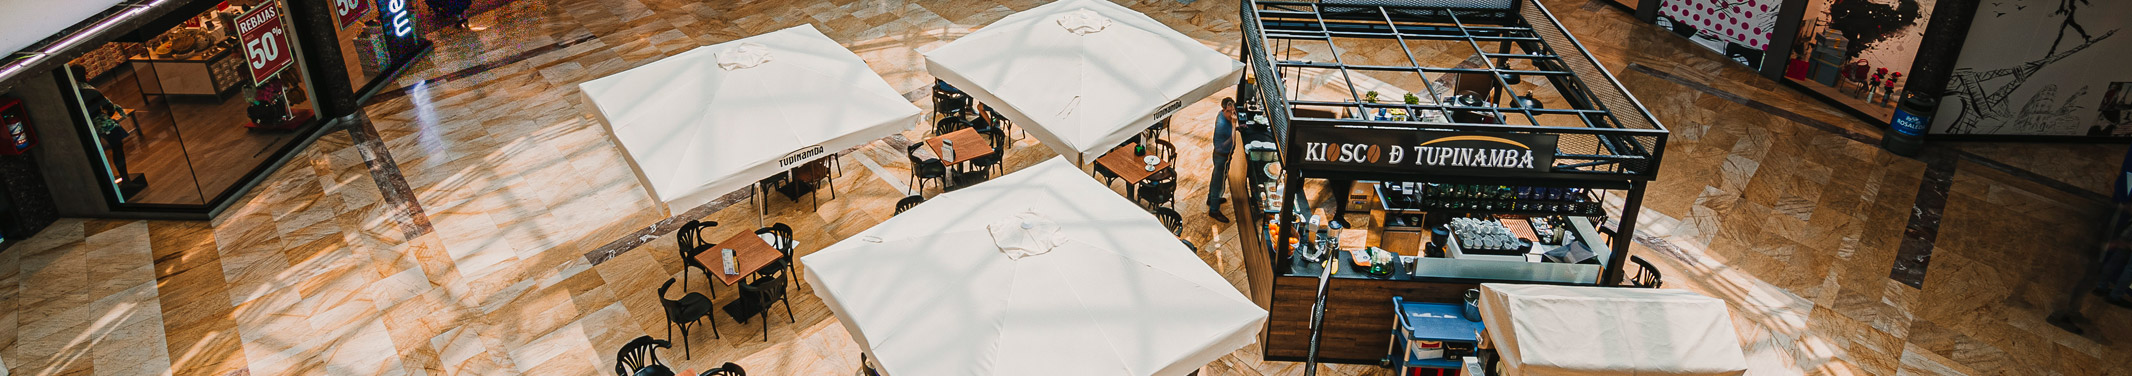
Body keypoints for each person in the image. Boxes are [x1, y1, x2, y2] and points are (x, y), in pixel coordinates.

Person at [1205, 98, 1236, 223]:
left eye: (1233, 110)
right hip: (1221, 156)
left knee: (1217, 178)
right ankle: (1214, 210)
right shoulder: (1222, 126)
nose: (1232, 114)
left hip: (1223, 155)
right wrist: (1234, 127)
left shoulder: (1221, 114)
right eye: (1229, 112)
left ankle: (1211, 199)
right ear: (1224, 110)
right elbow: (1225, 144)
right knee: (1218, 182)